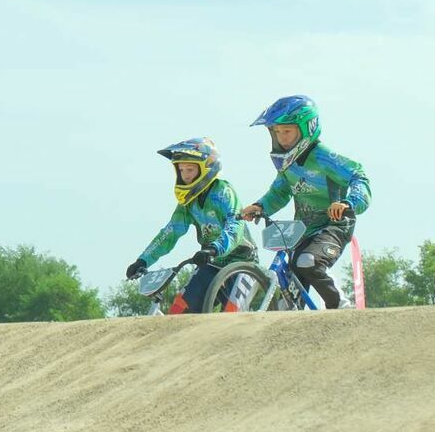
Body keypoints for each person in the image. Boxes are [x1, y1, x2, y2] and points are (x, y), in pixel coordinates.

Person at [239, 95, 371, 309]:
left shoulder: (324, 157)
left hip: (334, 225)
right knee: (289, 285)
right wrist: (260, 206)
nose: (281, 137)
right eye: (277, 132)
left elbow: (359, 176)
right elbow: (279, 192)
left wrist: (349, 203)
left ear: (306, 127)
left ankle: (343, 309)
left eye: (287, 131)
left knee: (308, 262)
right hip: (304, 229)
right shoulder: (288, 165)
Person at [126, 138, 258, 313]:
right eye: (181, 170)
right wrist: (143, 260)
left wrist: (214, 248)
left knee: (231, 316)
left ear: (206, 169)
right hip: (211, 263)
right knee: (179, 312)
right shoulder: (187, 202)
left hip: (243, 262)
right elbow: (170, 232)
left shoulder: (223, 191)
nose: (185, 175)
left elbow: (235, 225)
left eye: (190, 169)